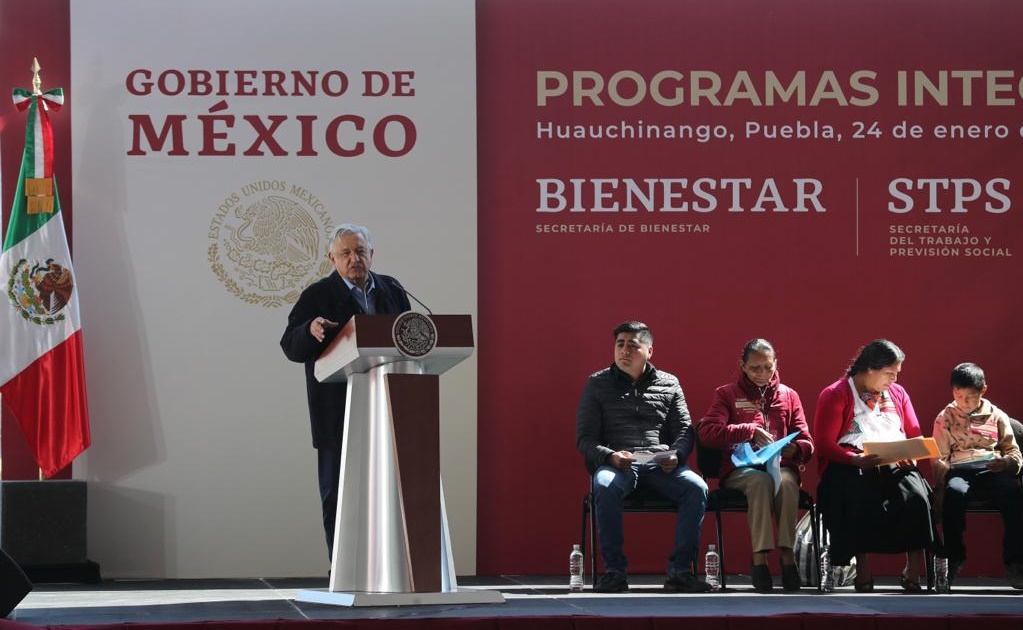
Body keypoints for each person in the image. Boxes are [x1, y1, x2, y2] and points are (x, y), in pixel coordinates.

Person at [280, 224, 411, 558]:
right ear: (331, 258)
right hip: (338, 415)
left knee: (387, 497)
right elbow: (291, 347)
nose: (355, 259)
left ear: (372, 254)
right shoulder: (317, 295)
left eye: (360, 251)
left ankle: (389, 566)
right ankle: (342, 569)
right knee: (339, 497)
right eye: (346, 254)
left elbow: (409, 338)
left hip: (389, 409)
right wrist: (309, 331)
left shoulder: (391, 289)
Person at [576, 321, 712, 593]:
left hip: (659, 465)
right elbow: (585, 439)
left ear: (650, 351)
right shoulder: (597, 384)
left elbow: (685, 431)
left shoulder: (669, 383)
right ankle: (614, 572)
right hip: (618, 464)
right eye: (620, 344)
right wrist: (611, 456)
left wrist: (677, 455)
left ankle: (679, 571)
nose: (624, 351)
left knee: (697, 487)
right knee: (603, 484)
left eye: (632, 345)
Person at [813, 339, 936, 593]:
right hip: (852, 461)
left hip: (894, 458)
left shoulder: (898, 394)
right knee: (858, 495)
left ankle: (912, 572)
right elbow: (824, 442)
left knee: (917, 496)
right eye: (889, 373)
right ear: (870, 368)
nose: (894, 379)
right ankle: (864, 571)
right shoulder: (836, 393)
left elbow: (913, 432)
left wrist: (911, 455)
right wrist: (853, 459)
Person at [697, 338, 814, 592]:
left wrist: (794, 448)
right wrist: (748, 431)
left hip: (780, 465)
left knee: (787, 482)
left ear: (776, 365)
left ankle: (787, 557)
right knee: (760, 482)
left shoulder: (789, 396)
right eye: (755, 368)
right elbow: (707, 433)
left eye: (768, 367)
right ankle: (759, 560)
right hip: (741, 469)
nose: (762, 374)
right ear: (743, 366)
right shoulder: (726, 394)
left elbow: (806, 441)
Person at [931, 362, 1023, 589]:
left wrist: (1006, 463)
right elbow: (939, 456)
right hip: (960, 470)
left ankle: (1015, 562)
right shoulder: (945, 417)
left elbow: (1013, 450)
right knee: (955, 493)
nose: (963, 402)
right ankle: (954, 556)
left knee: (1013, 494)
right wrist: (941, 482)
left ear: (983, 391)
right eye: (958, 396)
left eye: (970, 397)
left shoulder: (997, 416)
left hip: (991, 469)